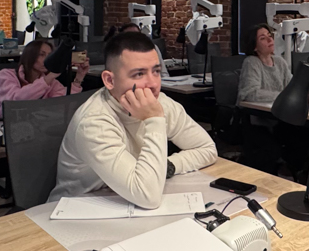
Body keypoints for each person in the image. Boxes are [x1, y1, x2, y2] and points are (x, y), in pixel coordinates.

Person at [49, 32, 217, 208]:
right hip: (77, 209)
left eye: (156, 71)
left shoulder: (161, 103)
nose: (153, 84)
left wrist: (169, 166)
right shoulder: (94, 122)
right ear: (109, 80)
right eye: (139, 74)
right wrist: (154, 119)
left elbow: (207, 148)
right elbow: (148, 196)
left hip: (125, 201)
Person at [236, 23, 299, 175]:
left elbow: (291, 87)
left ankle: (293, 171)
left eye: (270, 36)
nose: (270, 40)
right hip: (257, 121)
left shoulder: (280, 62)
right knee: (274, 148)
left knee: (304, 135)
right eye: (263, 38)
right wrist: (283, 95)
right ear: (255, 46)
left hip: (280, 117)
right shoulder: (252, 62)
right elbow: (249, 93)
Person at [0, 37, 89, 120]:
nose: (47, 59)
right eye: (42, 55)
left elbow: (62, 103)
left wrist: (79, 78)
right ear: (30, 56)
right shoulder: (6, 75)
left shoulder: (50, 81)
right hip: (2, 127)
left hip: (32, 127)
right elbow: (15, 101)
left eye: (49, 55)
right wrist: (49, 77)